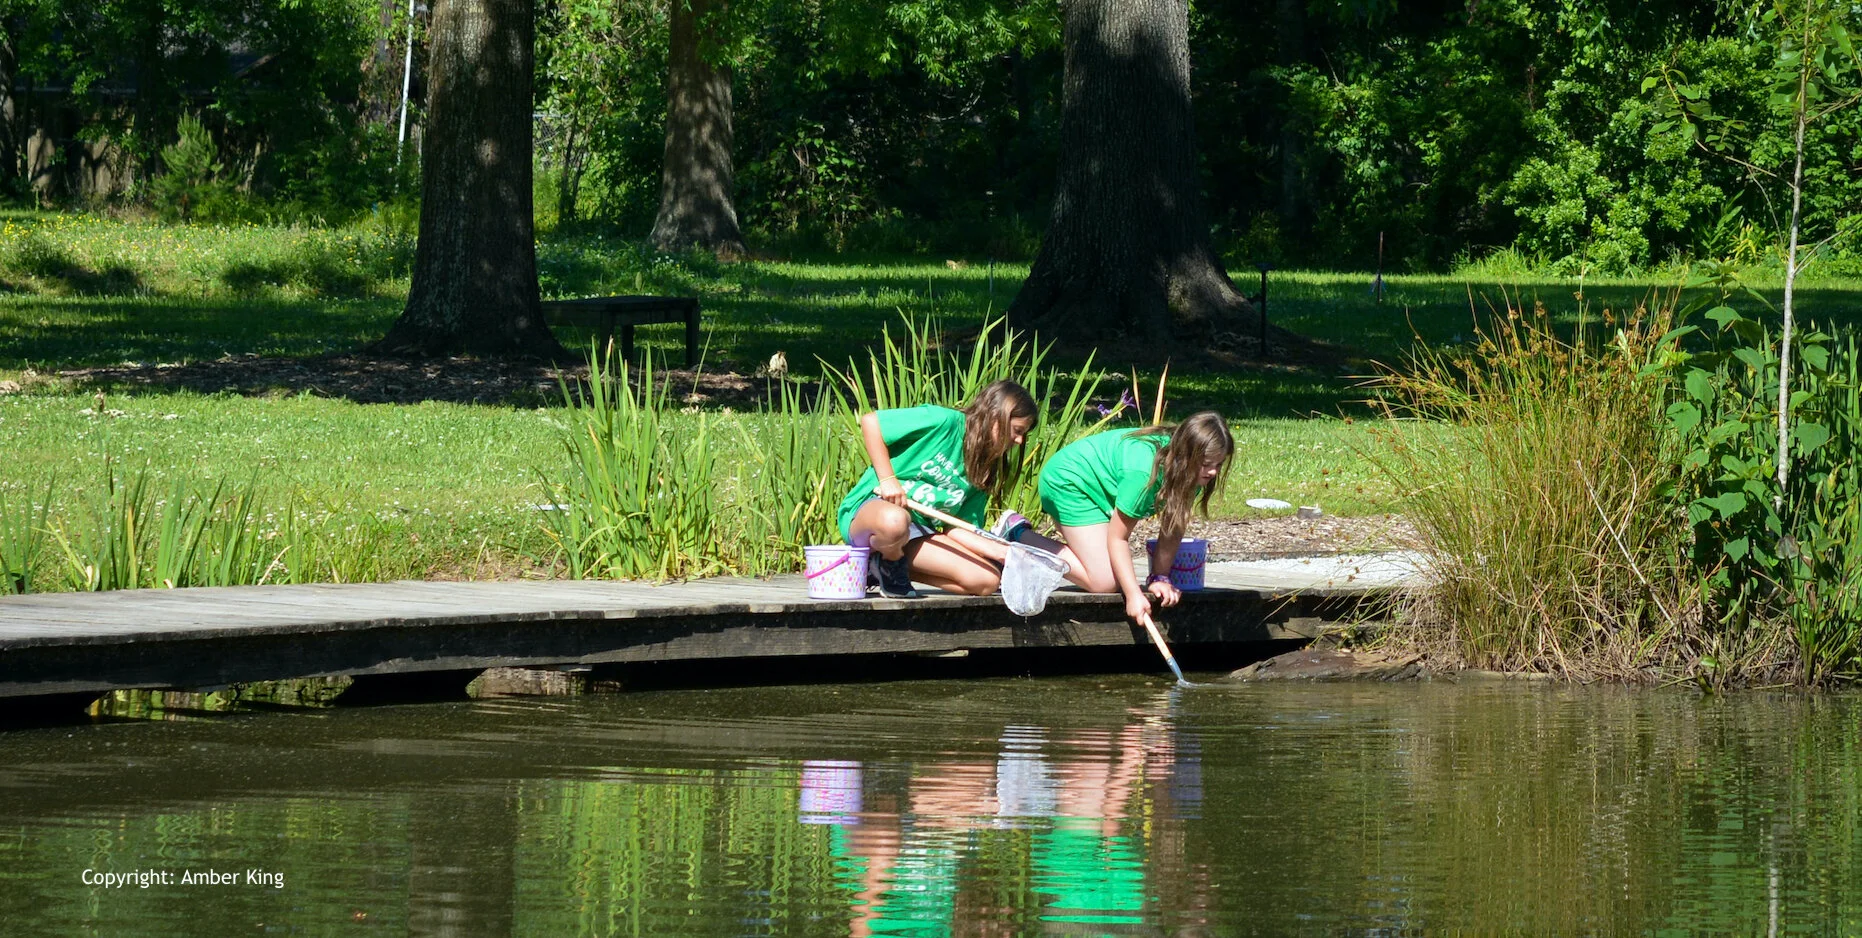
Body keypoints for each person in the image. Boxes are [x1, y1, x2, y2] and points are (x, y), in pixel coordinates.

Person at [1001, 412, 1233, 630]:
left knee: (1110, 574)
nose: (1212, 472)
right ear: (1186, 453)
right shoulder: (1143, 475)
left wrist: (1159, 577)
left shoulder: (1190, 472)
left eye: (1218, 464)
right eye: (1206, 463)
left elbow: (1173, 526)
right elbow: (1118, 538)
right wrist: (1133, 595)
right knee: (1104, 582)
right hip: (1068, 482)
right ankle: (1017, 533)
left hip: (1099, 488)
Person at [838, 380, 1038, 598]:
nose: (1019, 440)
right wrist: (888, 479)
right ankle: (888, 557)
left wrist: (1002, 552)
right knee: (895, 521)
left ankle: (882, 568)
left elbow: (958, 527)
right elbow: (871, 422)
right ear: (996, 416)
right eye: (1017, 430)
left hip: (917, 533)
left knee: (986, 580)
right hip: (873, 516)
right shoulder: (944, 421)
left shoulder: (984, 468)